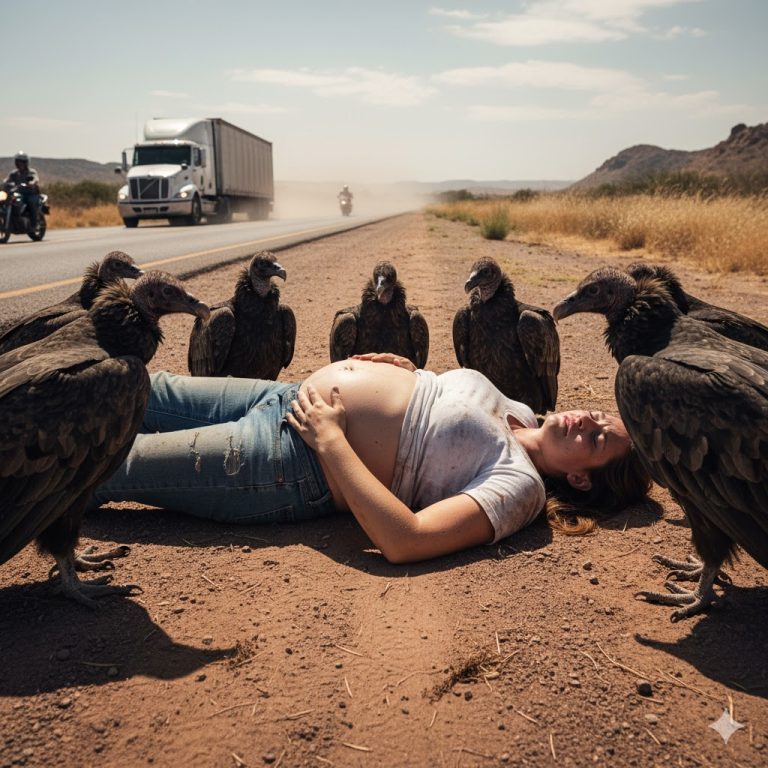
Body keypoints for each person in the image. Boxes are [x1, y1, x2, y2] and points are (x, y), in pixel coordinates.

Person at [93, 354, 651, 563]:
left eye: (598, 441)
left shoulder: (519, 488)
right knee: (134, 386)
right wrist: (403, 370)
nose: (589, 421)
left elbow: (407, 539)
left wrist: (332, 440)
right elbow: (433, 403)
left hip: (291, 461)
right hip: (284, 395)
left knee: (110, 465)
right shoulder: (521, 411)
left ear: (579, 479)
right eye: (601, 417)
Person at [4, 151, 41, 223]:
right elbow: (7, 180)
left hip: (30, 194)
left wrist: (31, 183)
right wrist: (4, 183)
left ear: (26, 162)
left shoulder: (31, 172)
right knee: (8, 201)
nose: (20, 164)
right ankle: (15, 219)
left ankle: (34, 222)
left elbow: (35, 178)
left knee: (31, 203)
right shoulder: (14, 173)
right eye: (18, 162)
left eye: (22, 162)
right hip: (19, 194)